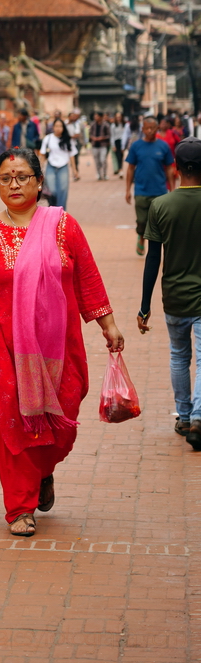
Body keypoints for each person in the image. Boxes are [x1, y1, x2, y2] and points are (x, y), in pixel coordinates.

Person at [0, 148, 124, 537]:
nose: (14, 184)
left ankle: (44, 470)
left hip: (58, 345)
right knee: (12, 415)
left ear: (40, 182)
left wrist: (108, 325)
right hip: (2, 344)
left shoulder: (63, 226)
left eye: (22, 177)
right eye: (5, 178)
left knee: (61, 420)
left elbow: (88, 279)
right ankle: (19, 507)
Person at [137, 138, 201, 449]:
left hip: (173, 295)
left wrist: (144, 306)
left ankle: (185, 416)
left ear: (175, 169)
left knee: (179, 356)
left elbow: (153, 259)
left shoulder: (160, 205)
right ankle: (199, 417)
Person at [125, 116, 175, 256]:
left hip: (159, 190)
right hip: (141, 190)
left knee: (160, 222)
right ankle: (141, 237)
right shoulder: (136, 146)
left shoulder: (163, 146)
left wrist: (172, 189)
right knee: (142, 220)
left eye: (152, 128)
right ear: (142, 129)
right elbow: (130, 168)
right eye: (146, 128)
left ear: (157, 128)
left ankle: (158, 247)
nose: (149, 131)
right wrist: (128, 190)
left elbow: (169, 168)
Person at [40, 118, 78, 208]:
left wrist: (74, 170)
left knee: (63, 190)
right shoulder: (48, 138)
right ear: (53, 127)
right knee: (52, 190)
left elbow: (72, 155)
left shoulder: (68, 139)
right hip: (51, 166)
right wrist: (40, 169)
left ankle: (61, 211)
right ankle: (53, 209)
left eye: (60, 126)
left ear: (63, 128)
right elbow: (42, 154)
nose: (58, 128)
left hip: (63, 167)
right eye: (56, 126)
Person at [89, 111, 110, 180]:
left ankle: (104, 174)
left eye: (97, 116)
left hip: (103, 145)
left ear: (100, 117)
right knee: (96, 161)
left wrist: (102, 138)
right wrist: (93, 138)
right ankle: (98, 174)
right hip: (95, 145)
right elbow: (90, 134)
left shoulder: (106, 125)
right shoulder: (92, 125)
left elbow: (109, 135)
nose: (95, 117)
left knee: (103, 160)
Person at [110, 112, 126, 178]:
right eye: (117, 117)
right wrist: (113, 145)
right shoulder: (113, 125)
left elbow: (125, 135)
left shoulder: (124, 125)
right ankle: (120, 169)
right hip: (116, 142)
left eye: (119, 117)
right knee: (118, 156)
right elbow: (112, 136)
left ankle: (120, 169)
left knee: (121, 156)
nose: (118, 118)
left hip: (122, 142)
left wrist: (124, 145)